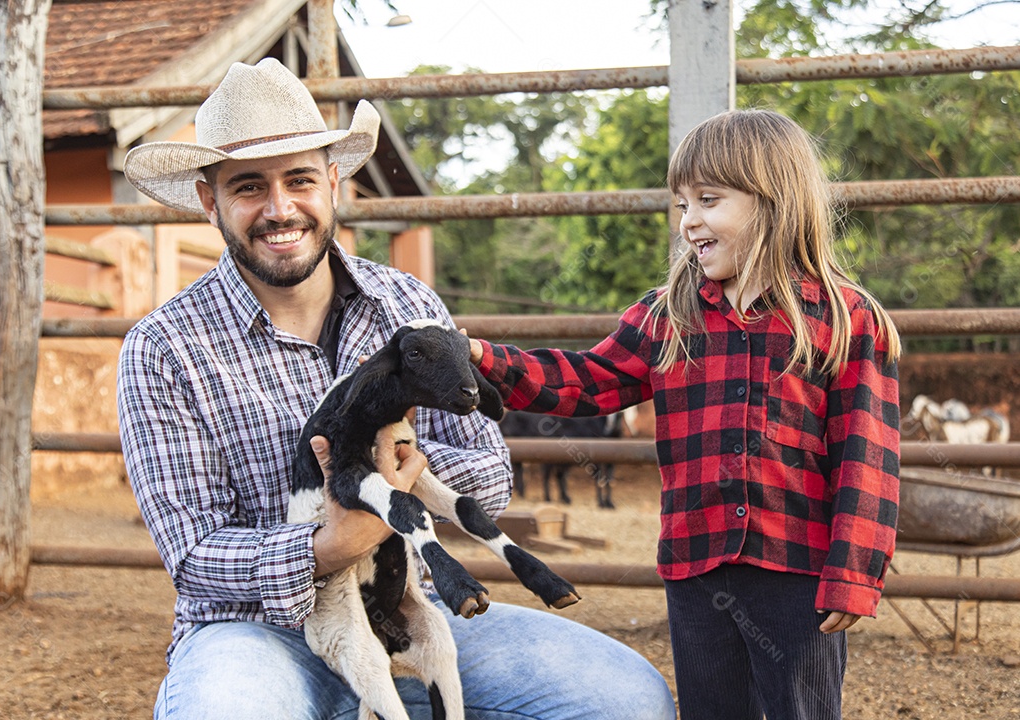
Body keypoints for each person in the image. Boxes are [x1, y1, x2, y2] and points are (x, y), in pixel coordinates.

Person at [117, 57, 675, 720]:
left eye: (299, 179)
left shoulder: (407, 303)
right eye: (247, 187)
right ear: (210, 201)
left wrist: (403, 473)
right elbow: (194, 553)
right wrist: (332, 543)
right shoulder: (164, 346)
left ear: (332, 182)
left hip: (409, 607)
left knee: (629, 699)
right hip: (257, 632)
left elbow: (490, 472)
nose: (279, 208)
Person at [467, 109, 902, 720]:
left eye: (708, 199)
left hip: (797, 569)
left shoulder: (845, 318)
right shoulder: (667, 315)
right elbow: (586, 383)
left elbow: (868, 460)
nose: (689, 220)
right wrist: (480, 358)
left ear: (772, 201)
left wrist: (856, 571)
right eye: (681, 204)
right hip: (698, 570)